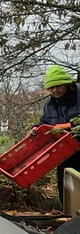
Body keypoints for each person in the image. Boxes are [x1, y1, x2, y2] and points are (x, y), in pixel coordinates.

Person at [31, 65, 80, 204]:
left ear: (66, 84)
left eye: (58, 86)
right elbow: (45, 121)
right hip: (63, 151)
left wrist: (69, 126)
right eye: (51, 88)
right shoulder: (49, 105)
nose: (55, 90)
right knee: (66, 186)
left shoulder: (78, 96)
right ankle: (69, 215)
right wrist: (36, 127)